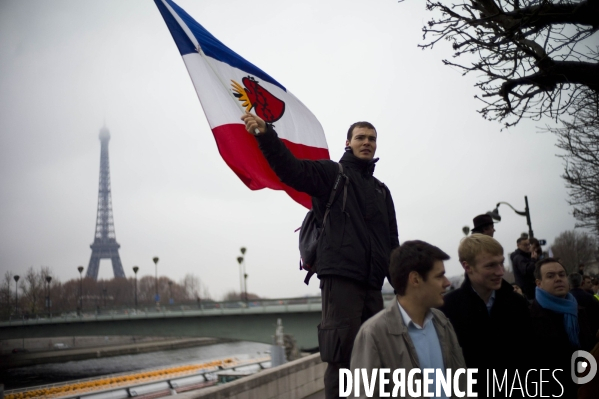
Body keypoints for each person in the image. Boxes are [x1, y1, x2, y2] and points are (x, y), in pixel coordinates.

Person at [241, 113, 399, 399]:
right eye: (360, 137)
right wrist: (267, 135)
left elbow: (392, 245)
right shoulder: (332, 174)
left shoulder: (382, 192)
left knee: (376, 362)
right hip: (340, 282)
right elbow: (291, 171)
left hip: (373, 287)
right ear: (348, 143)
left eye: (372, 139)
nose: (367, 143)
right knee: (341, 360)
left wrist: (404, 289)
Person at [351, 240, 466, 399]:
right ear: (415, 279)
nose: (447, 283)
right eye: (439, 276)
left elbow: (461, 385)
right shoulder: (373, 333)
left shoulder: (442, 321)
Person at [440, 234, 531, 395]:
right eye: (490, 266)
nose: (500, 271)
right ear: (467, 267)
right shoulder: (447, 309)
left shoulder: (518, 303)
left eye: (501, 263)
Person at [530, 258, 596, 397]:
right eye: (550, 276)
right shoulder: (528, 317)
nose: (558, 279)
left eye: (561, 274)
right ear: (539, 283)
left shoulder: (579, 311)